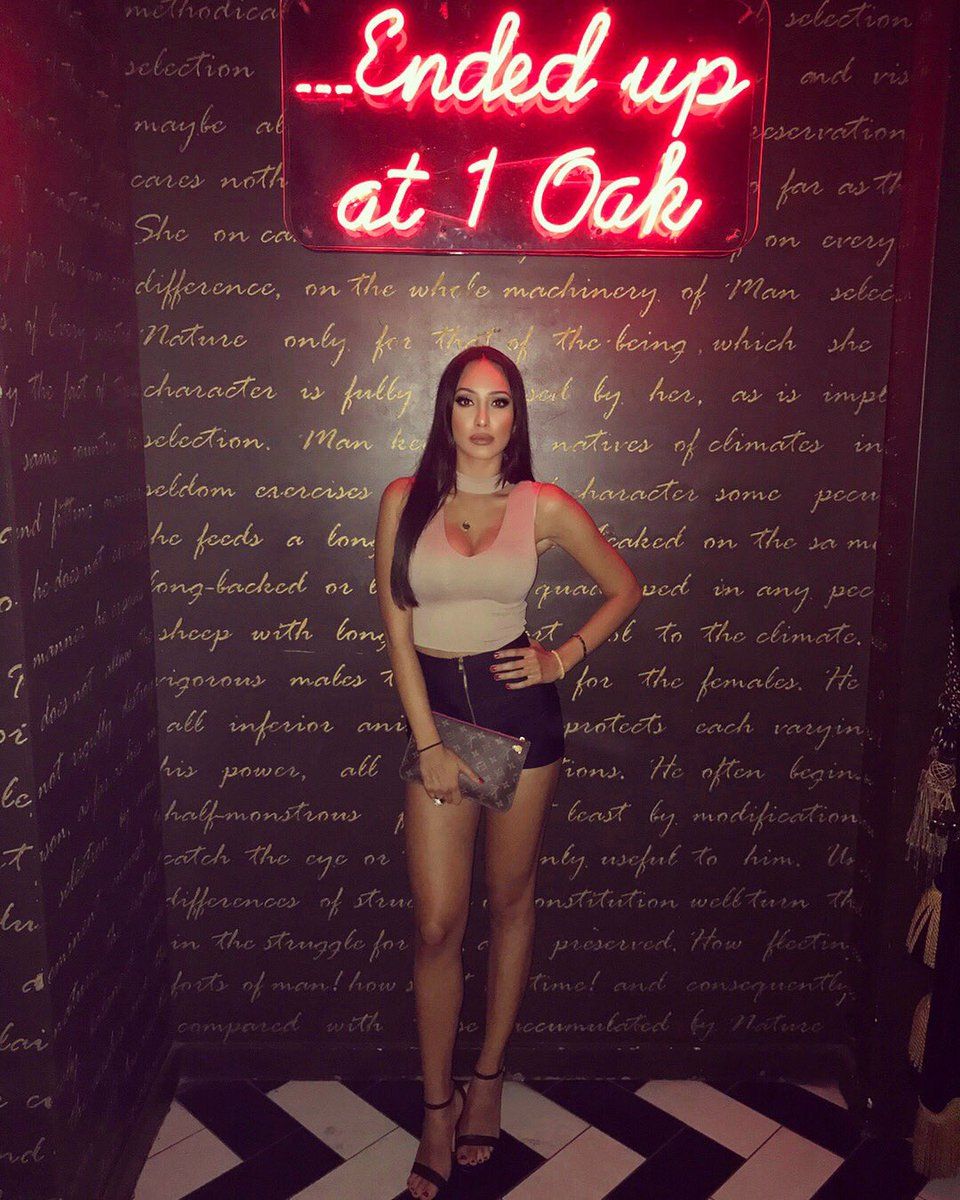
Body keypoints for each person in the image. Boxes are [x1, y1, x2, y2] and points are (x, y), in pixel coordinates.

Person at [374, 345, 643, 1200]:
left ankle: (486, 1077)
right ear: (445, 412)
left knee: (511, 899)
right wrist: (427, 745)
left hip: (523, 725)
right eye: (466, 401)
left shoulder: (543, 505)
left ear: (517, 416)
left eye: (498, 403)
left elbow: (626, 587)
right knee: (437, 924)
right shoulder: (403, 500)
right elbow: (398, 633)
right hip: (439, 731)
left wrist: (563, 656)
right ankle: (437, 1106)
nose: (482, 419)